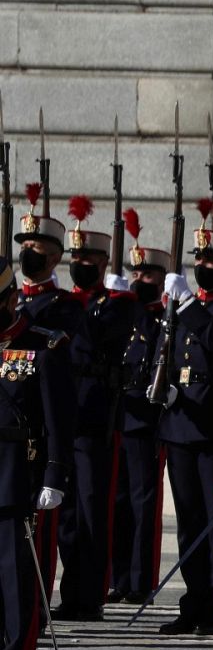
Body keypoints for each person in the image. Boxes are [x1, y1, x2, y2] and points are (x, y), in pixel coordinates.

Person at [152, 203, 213, 636]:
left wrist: (188, 304)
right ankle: (194, 600)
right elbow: (166, 350)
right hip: (180, 423)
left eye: (211, 259)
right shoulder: (179, 305)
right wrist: (166, 385)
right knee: (189, 519)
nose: (202, 265)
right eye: (199, 258)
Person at [54, 199, 138, 621]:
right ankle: (72, 592)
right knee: (65, 513)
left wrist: (79, 303)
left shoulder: (117, 306)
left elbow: (97, 341)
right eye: (75, 256)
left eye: (88, 257)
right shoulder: (64, 303)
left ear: (105, 261)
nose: (80, 263)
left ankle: (90, 596)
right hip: (62, 418)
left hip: (94, 418)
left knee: (91, 509)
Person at [0, 252, 74, 650]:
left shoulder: (43, 346)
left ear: (11, 298)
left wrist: (54, 474)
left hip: (18, 478)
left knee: (16, 584)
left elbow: (58, 421)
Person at [12, 188, 82, 606]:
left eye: (35, 248)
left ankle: (35, 603)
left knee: (38, 530)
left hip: (40, 429)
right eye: (24, 247)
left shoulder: (64, 308)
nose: (27, 255)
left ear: (55, 257)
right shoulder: (13, 302)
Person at [109, 211, 169, 605]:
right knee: (118, 499)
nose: (138, 280)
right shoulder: (123, 311)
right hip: (118, 412)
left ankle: (140, 578)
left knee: (143, 500)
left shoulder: (163, 317)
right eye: (135, 274)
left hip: (146, 416)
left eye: (147, 275)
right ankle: (119, 577)